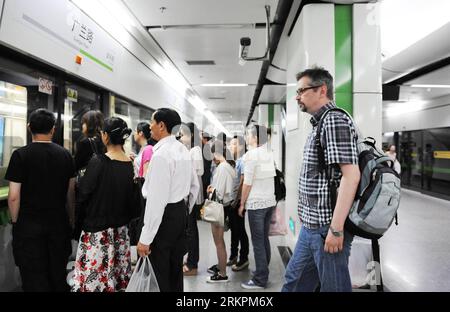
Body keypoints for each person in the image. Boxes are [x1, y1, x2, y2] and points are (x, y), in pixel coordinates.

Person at [282, 66, 360, 292]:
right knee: (293, 284)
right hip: (311, 227)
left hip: (327, 228)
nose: (297, 96)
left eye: (302, 90)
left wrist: (336, 229)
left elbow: (350, 176)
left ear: (321, 90)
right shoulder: (320, 123)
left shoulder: (333, 120)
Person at [5, 108, 75, 292]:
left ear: (29, 127)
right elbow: (70, 194)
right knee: (57, 276)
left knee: (33, 277)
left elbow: (13, 196)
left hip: (29, 227)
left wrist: (15, 221)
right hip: (58, 225)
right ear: (53, 129)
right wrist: (71, 218)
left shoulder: (20, 155)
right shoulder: (65, 155)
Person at [137, 108, 199, 292]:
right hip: (179, 213)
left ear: (162, 125)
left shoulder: (161, 155)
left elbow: (157, 200)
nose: (150, 126)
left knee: (160, 273)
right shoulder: (183, 150)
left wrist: (145, 238)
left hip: (163, 218)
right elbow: (194, 187)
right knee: (175, 270)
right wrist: (183, 212)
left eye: (152, 122)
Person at [72, 117, 135, 292]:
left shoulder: (98, 162)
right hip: (121, 233)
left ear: (105, 136)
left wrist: (76, 225)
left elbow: (83, 195)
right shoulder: (130, 164)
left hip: (97, 233)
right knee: (116, 279)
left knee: (95, 282)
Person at [239, 125, 276, 289]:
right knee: (263, 239)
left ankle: (260, 278)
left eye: (248, 136)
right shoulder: (269, 154)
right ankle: (263, 271)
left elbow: (247, 183)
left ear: (255, 138)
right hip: (269, 202)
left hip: (256, 204)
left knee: (257, 242)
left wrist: (242, 203)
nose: (246, 138)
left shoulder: (251, 155)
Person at [206, 141, 235, 283]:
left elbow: (220, 192)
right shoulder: (228, 166)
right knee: (220, 242)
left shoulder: (222, 167)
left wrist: (211, 189)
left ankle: (222, 274)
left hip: (219, 207)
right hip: (226, 207)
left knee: (218, 242)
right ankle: (221, 268)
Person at [74, 110, 105, 239]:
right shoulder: (105, 141)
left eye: (84, 123)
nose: (82, 127)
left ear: (88, 125)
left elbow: (75, 165)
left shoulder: (85, 143)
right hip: (103, 187)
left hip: (88, 186)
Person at [179, 122, 204, 276]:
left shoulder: (195, 151)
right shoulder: (190, 150)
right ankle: (190, 260)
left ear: (192, 135)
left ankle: (192, 264)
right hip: (189, 195)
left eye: (184, 134)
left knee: (191, 231)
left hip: (191, 197)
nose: (181, 137)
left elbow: (196, 172)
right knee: (190, 229)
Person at [228, 135, 249, 271]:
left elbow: (242, 182)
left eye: (234, 144)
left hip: (238, 201)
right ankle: (233, 255)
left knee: (240, 230)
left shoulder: (243, 161)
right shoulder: (234, 160)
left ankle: (244, 258)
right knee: (234, 229)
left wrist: (237, 201)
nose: (231, 146)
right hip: (232, 200)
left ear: (241, 146)